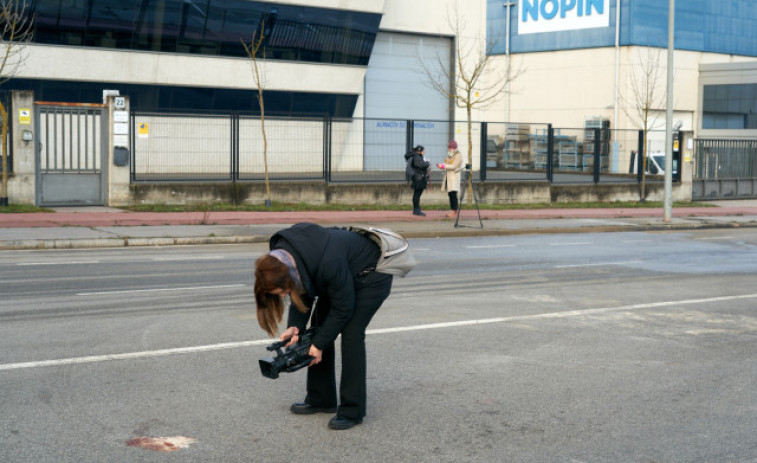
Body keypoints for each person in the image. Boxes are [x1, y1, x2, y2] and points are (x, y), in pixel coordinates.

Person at [253, 223, 393, 430]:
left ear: (289, 277)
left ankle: (352, 411)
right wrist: (295, 327)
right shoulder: (283, 256)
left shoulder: (328, 262)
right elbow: (304, 287)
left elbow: (343, 308)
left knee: (351, 334)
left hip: (370, 273)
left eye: (283, 291)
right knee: (318, 329)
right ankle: (321, 399)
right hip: (340, 274)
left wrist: (318, 345)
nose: (283, 296)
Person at [436, 140, 463, 218]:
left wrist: (444, 166)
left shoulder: (458, 155)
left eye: (450, 147)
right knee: (450, 193)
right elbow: (447, 163)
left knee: (453, 193)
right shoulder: (450, 155)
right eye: (449, 147)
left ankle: (454, 211)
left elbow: (454, 166)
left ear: (454, 147)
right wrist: (441, 165)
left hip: (454, 177)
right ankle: (452, 209)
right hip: (449, 176)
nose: (449, 149)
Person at [404, 145, 430, 216]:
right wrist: (427, 163)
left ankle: (417, 209)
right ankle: (416, 210)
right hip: (419, 178)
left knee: (417, 194)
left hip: (417, 178)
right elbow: (422, 165)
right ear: (420, 151)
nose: (424, 152)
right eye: (423, 150)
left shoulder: (415, 156)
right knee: (417, 195)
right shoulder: (417, 157)